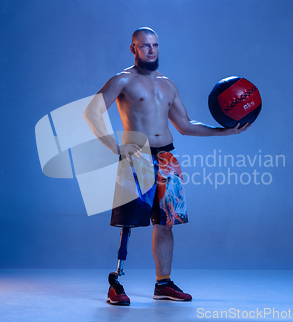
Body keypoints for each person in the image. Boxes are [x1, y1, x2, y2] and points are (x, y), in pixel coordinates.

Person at [84, 27, 251, 305]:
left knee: (166, 223)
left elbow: (185, 126)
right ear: (133, 48)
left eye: (155, 45)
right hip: (137, 156)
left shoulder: (168, 84)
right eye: (144, 45)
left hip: (167, 158)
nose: (151, 50)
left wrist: (225, 132)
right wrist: (114, 146)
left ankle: (163, 283)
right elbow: (92, 111)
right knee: (128, 222)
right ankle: (117, 281)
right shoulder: (122, 80)